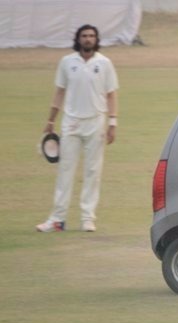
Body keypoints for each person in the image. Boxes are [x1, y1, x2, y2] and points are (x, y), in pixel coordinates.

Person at [36, 24, 119, 233]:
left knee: (93, 171)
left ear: (96, 39)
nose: (88, 39)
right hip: (71, 122)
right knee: (65, 171)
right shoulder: (67, 62)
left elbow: (111, 94)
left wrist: (112, 122)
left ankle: (87, 218)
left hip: (96, 122)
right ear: (78, 39)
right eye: (84, 36)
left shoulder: (104, 63)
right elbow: (59, 92)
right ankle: (57, 220)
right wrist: (50, 121)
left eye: (91, 36)